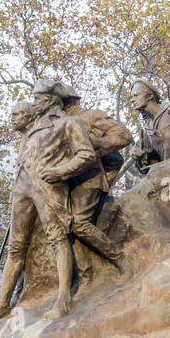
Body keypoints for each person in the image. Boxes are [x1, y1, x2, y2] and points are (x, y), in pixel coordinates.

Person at [0, 100, 79, 324]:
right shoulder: (25, 138)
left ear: (29, 116)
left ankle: (63, 299)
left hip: (45, 188)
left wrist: (60, 173)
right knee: (15, 248)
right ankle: (1, 306)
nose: (11, 118)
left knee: (58, 239)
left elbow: (81, 154)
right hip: (22, 189)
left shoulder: (55, 127)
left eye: (16, 114)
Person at [54, 81, 133, 282]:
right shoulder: (58, 125)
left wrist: (95, 143)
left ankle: (120, 260)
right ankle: (84, 276)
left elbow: (124, 137)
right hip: (70, 183)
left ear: (67, 103)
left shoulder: (90, 117)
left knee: (79, 223)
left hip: (91, 179)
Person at [129, 76, 170, 167]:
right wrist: (140, 157)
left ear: (150, 96)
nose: (132, 100)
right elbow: (151, 163)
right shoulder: (147, 129)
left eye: (136, 95)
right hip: (167, 172)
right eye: (132, 96)